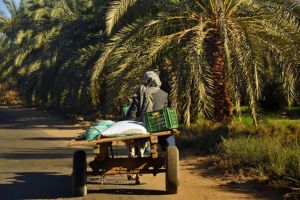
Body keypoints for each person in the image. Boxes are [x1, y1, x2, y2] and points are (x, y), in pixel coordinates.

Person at [126, 71, 176, 150]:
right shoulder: (164, 94)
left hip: (143, 127)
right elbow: (164, 112)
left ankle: (139, 151)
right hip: (159, 126)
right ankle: (167, 149)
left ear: (146, 80)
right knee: (169, 136)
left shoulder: (139, 93)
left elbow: (132, 114)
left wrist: (129, 123)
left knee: (135, 136)